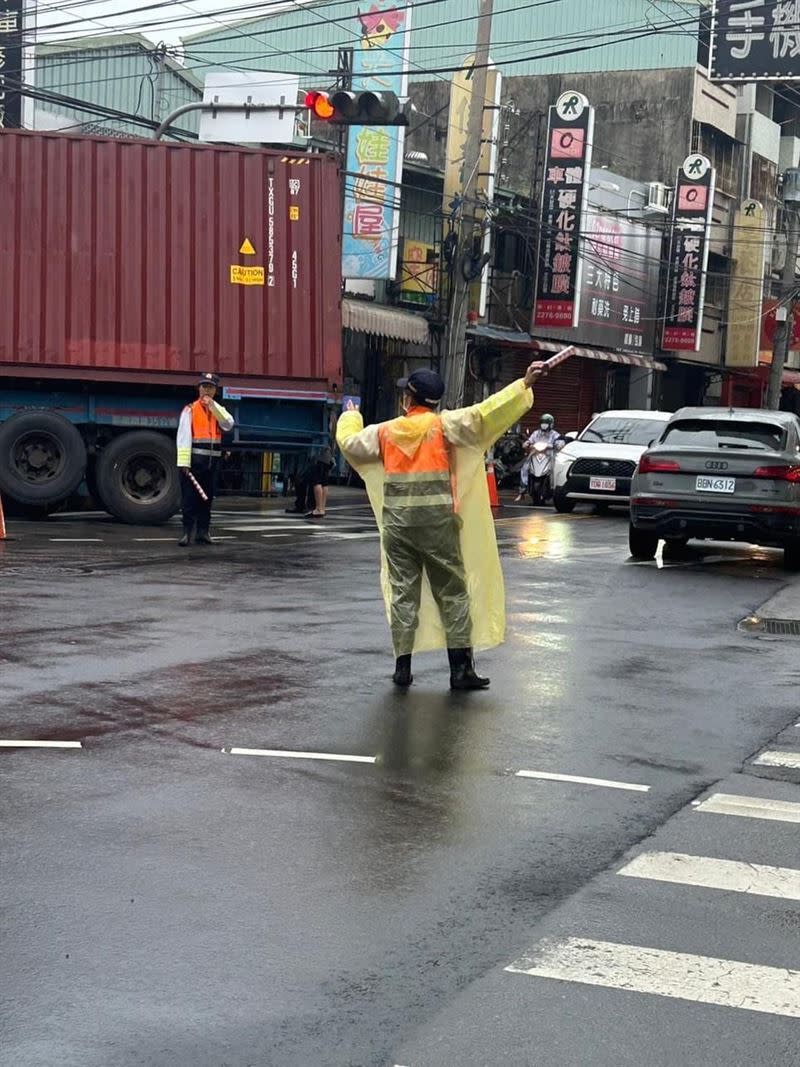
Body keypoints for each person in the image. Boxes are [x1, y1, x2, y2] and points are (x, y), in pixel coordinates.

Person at [336, 362, 546, 690]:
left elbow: (350, 444)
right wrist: (523, 384)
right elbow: (485, 413)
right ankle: (460, 670)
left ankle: (402, 668)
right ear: (435, 401)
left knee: (404, 593)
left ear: (408, 398)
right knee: (453, 594)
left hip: (398, 525)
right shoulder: (446, 426)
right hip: (436, 524)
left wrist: (350, 415)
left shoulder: (385, 432)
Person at [176, 372, 235, 546]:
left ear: (215, 391)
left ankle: (203, 532)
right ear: (198, 389)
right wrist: (184, 463)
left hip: (212, 463)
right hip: (195, 462)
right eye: (204, 387)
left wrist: (213, 408)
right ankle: (187, 532)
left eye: (210, 388)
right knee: (189, 498)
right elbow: (183, 438)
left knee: (207, 498)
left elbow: (228, 423)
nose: (206, 391)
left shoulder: (218, 410)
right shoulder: (190, 409)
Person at [515, 413, 562, 503]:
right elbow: (530, 440)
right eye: (543, 422)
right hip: (535, 454)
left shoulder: (554, 434)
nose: (544, 425)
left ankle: (555, 489)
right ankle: (522, 492)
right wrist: (527, 443)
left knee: (555, 470)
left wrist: (558, 444)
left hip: (549, 455)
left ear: (551, 424)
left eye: (546, 423)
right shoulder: (536, 433)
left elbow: (559, 442)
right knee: (525, 468)